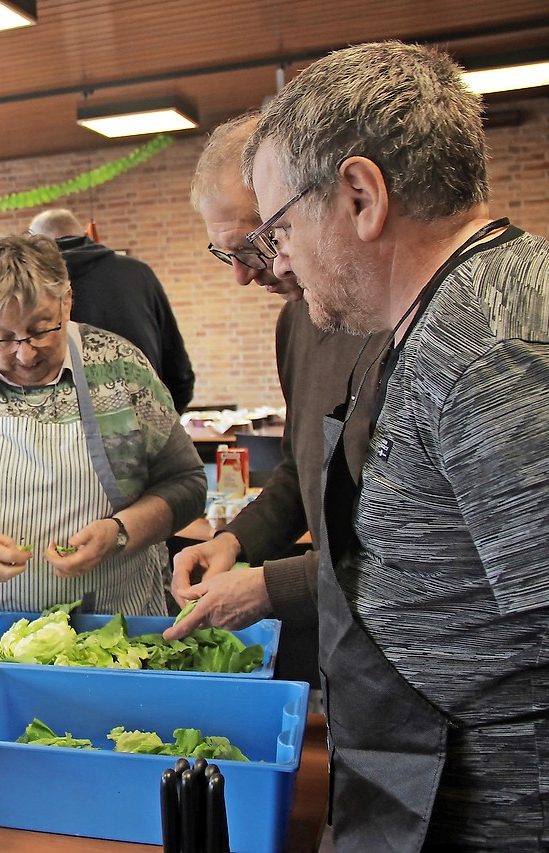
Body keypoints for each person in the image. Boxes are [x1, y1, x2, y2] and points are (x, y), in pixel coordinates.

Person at [245, 41, 549, 850]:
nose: (278, 261)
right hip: (433, 775)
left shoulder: (493, 344)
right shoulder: (446, 314)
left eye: (279, 227)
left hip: (514, 803)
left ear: (360, 195)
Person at [0, 233, 206, 648]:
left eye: (41, 329)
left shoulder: (120, 369)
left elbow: (187, 485)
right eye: (1, 336)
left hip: (119, 640)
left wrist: (120, 531)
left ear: (67, 300)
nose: (26, 354)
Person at [163, 113, 387, 688]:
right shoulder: (297, 322)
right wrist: (235, 542)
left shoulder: (417, 326)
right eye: (226, 254)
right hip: (348, 650)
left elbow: (424, 553)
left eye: (257, 245)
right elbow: (299, 468)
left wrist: (270, 585)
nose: (245, 275)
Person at [28, 208, 195, 411]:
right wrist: (161, 422)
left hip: (63, 431)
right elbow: (178, 371)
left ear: (36, 242)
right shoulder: (137, 273)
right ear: (84, 235)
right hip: (143, 420)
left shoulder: (30, 286)